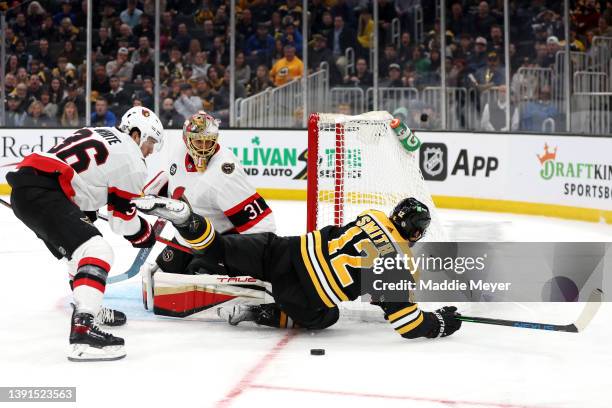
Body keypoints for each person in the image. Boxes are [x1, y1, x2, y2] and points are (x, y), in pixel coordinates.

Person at [133, 195, 462, 340]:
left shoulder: (372, 216)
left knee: (217, 246)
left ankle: (187, 220)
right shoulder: (399, 266)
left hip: (284, 250)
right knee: (326, 317)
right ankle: (255, 312)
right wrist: (441, 322)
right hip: (301, 294)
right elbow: (409, 326)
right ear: (416, 233)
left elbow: (349, 244)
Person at [6, 107, 165, 361]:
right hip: (45, 193)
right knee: (97, 250)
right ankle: (83, 329)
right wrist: (144, 233)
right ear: (136, 134)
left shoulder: (99, 132)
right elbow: (122, 222)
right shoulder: (132, 159)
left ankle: (90, 306)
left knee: (79, 253)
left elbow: (84, 183)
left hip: (30, 189)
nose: (150, 150)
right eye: (150, 142)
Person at [140, 111, 276, 316]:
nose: (204, 148)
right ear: (186, 140)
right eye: (198, 142)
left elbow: (264, 226)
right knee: (156, 283)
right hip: (187, 236)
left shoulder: (224, 173)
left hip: (218, 243)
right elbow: (171, 175)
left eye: (208, 142)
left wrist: (246, 262)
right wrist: (149, 193)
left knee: (185, 291)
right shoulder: (178, 150)